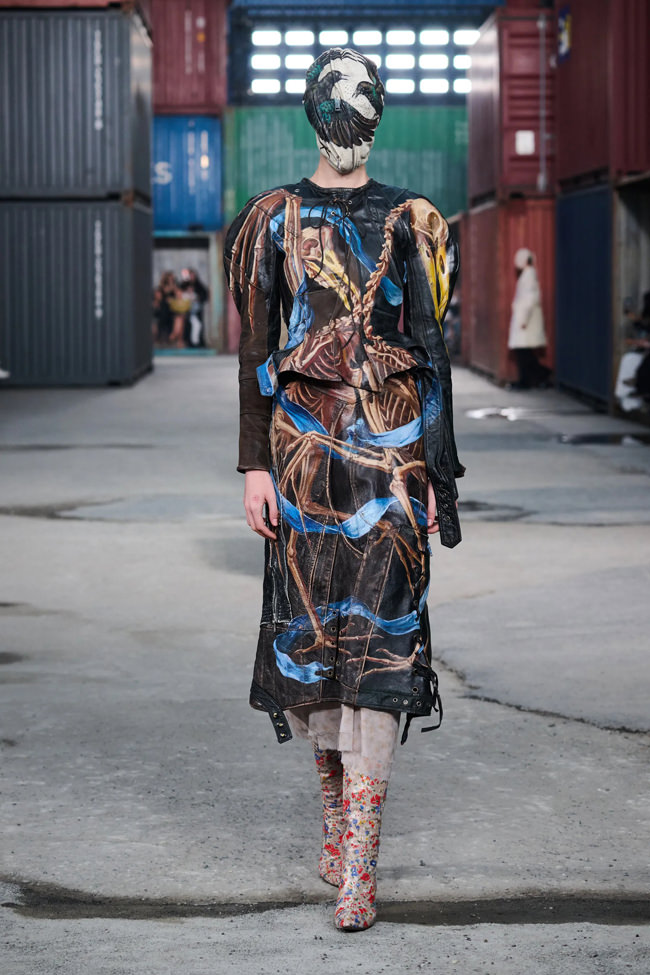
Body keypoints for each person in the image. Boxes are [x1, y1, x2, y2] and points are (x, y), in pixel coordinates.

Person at [223, 48, 464, 932]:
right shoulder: (272, 221)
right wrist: (254, 465)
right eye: (337, 109)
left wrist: (437, 474)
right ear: (313, 114)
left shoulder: (413, 220)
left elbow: (432, 356)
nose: (351, 127)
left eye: (365, 110)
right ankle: (333, 809)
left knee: (383, 647)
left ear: (380, 117)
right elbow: (256, 353)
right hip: (301, 463)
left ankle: (361, 855)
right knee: (313, 647)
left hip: (391, 465)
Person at [507, 247, 551, 389]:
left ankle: (535, 377)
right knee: (525, 354)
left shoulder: (529, 276)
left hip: (525, 323)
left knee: (524, 353)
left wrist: (524, 320)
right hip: (524, 321)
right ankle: (536, 377)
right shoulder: (528, 275)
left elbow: (530, 300)